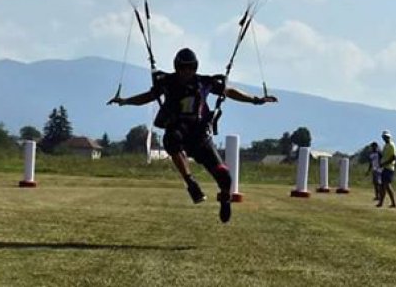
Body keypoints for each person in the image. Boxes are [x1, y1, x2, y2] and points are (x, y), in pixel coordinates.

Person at [108, 47, 277, 223]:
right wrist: (126, 101)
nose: (186, 72)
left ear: (195, 68)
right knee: (171, 138)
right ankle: (191, 183)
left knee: (225, 177)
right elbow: (148, 96)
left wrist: (256, 100)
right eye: (182, 68)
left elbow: (230, 92)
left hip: (199, 136)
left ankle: (225, 199)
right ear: (177, 67)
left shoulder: (203, 83)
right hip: (178, 130)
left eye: (190, 68)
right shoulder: (167, 83)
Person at [377, 130, 396, 208]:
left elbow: (393, 157)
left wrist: (384, 163)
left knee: (387, 185)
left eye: (387, 137)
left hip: (389, 168)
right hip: (385, 167)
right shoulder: (385, 146)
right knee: (384, 186)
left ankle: (392, 203)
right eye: (385, 137)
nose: (386, 138)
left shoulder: (391, 145)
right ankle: (381, 202)